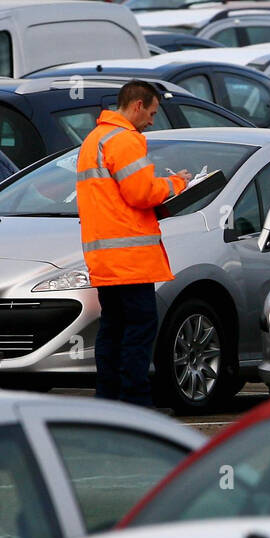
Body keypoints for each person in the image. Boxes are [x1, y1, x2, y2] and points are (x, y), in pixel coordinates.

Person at [77, 80, 191, 406]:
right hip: (131, 260)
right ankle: (135, 403)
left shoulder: (94, 139)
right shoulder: (125, 139)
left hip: (105, 257)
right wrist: (178, 183)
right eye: (152, 113)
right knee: (138, 331)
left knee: (112, 330)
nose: (153, 121)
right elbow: (141, 193)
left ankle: (108, 400)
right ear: (137, 105)